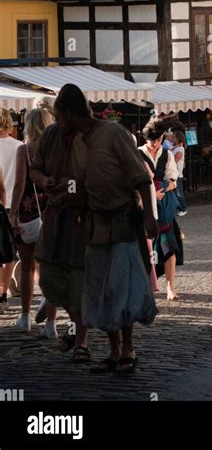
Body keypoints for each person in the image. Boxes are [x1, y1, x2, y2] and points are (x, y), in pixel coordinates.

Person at [48, 85, 159, 375]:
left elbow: (140, 178)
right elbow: (81, 185)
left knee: (122, 288)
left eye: (59, 117)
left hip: (123, 221)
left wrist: (149, 217)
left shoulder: (114, 133)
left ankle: (128, 349)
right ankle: (112, 351)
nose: (58, 124)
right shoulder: (78, 143)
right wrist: (62, 196)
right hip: (95, 226)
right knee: (102, 291)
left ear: (71, 113)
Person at [30, 94, 90, 361]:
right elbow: (35, 170)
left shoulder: (89, 135)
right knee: (49, 279)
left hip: (82, 218)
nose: (58, 120)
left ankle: (82, 342)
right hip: (55, 218)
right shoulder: (51, 135)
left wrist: (72, 186)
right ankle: (76, 329)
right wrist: (46, 181)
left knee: (79, 282)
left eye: (61, 115)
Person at [9, 108, 59, 337]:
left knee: (28, 267)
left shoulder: (25, 150)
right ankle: (51, 324)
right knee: (51, 267)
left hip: (29, 213)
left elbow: (19, 184)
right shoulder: (56, 149)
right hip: (54, 212)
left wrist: (13, 212)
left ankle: (25, 317)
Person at [138, 120, 182, 301]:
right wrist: (148, 195)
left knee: (169, 247)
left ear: (161, 137)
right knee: (144, 248)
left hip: (163, 207)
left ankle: (171, 288)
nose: (153, 143)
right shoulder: (138, 154)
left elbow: (173, 180)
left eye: (156, 140)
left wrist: (161, 190)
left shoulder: (168, 155)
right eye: (150, 140)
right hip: (143, 207)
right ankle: (145, 285)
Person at [0, 110, 22, 313]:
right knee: (10, 254)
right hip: (14, 205)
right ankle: (3, 293)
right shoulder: (19, 147)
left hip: (2, 202)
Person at [171, 131, 187, 216]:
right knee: (174, 192)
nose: (172, 138)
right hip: (173, 173)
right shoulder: (176, 147)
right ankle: (178, 208)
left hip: (177, 174)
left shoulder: (180, 149)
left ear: (177, 138)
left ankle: (183, 208)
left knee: (178, 192)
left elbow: (173, 161)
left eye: (174, 137)